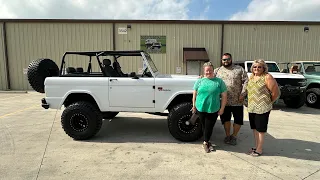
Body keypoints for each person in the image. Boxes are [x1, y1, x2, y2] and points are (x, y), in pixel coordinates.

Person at [192, 62, 227, 153]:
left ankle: (205, 142)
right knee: (204, 126)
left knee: (209, 126)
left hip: (213, 108)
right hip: (201, 107)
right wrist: (194, 105)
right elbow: (195, 93)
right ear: (204, 71)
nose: (209, 72)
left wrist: (222, 108)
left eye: (210, 70)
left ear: (213, 70)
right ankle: (207, 141)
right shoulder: (199, 81)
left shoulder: (219, 82)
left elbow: (224, 96)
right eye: (207, 70)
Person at [246, 59, 279, 156]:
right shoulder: (252, 77)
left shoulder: (267, 77)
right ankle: (256, 146)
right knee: (255, 128)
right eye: (255, 67)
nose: (257, 68)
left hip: (262, 108)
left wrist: (268, 101)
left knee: (261, 129)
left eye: (259, 67)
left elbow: (275, 93)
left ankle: (259, 149)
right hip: (252, 107)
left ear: (264, 68)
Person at [214, 53, 248, 145]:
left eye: (228, 59)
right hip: (224, 101)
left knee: (238, 120)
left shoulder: (239, 69)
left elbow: (246, 81)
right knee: (226, 119)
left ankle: (234, 136)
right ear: (221, 60)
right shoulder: (217, 71)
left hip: (238, 100)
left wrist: (243, 94)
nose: (226, 61)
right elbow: (210, 78)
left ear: (231, 59)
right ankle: (228, 135)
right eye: (224, 60)